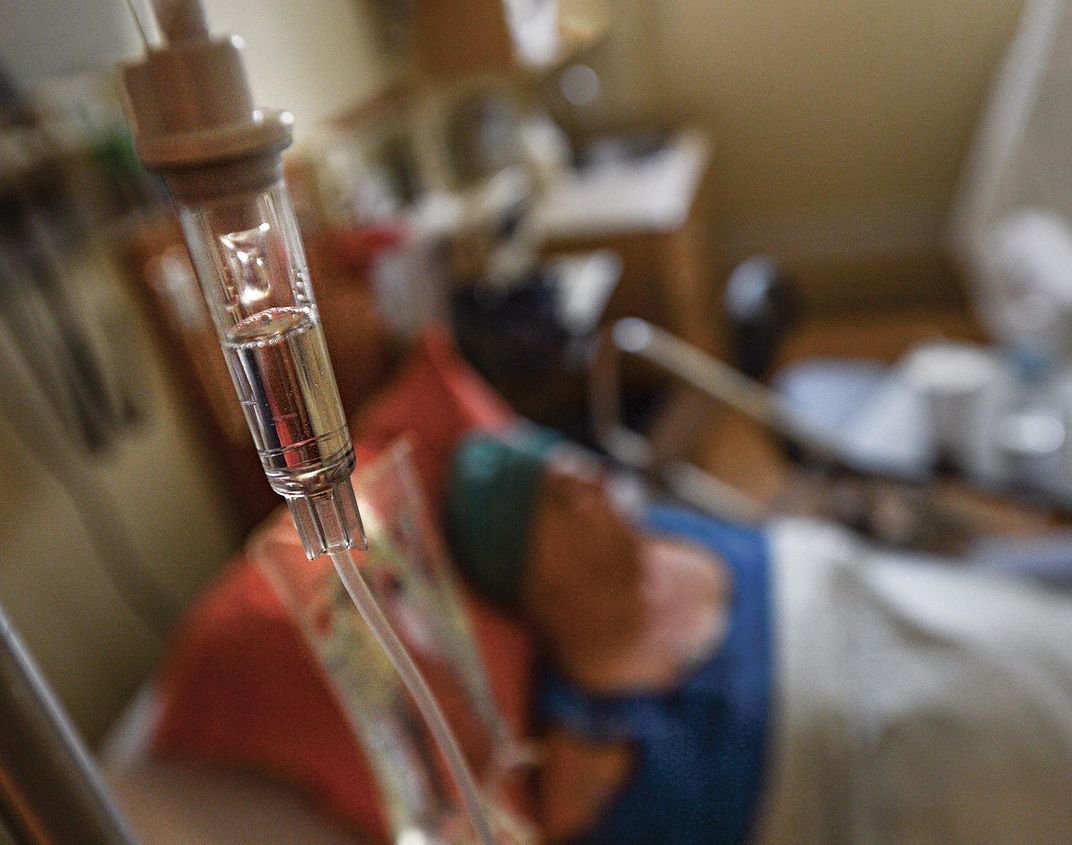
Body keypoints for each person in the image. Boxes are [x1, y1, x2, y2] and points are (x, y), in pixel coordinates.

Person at [443, 426, 1072, 845]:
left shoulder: (660, 529)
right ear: (531, 577)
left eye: (570, 464)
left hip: (961, 620)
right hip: (938, 771)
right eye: (558, 496)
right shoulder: (593, 752)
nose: (590, 478)